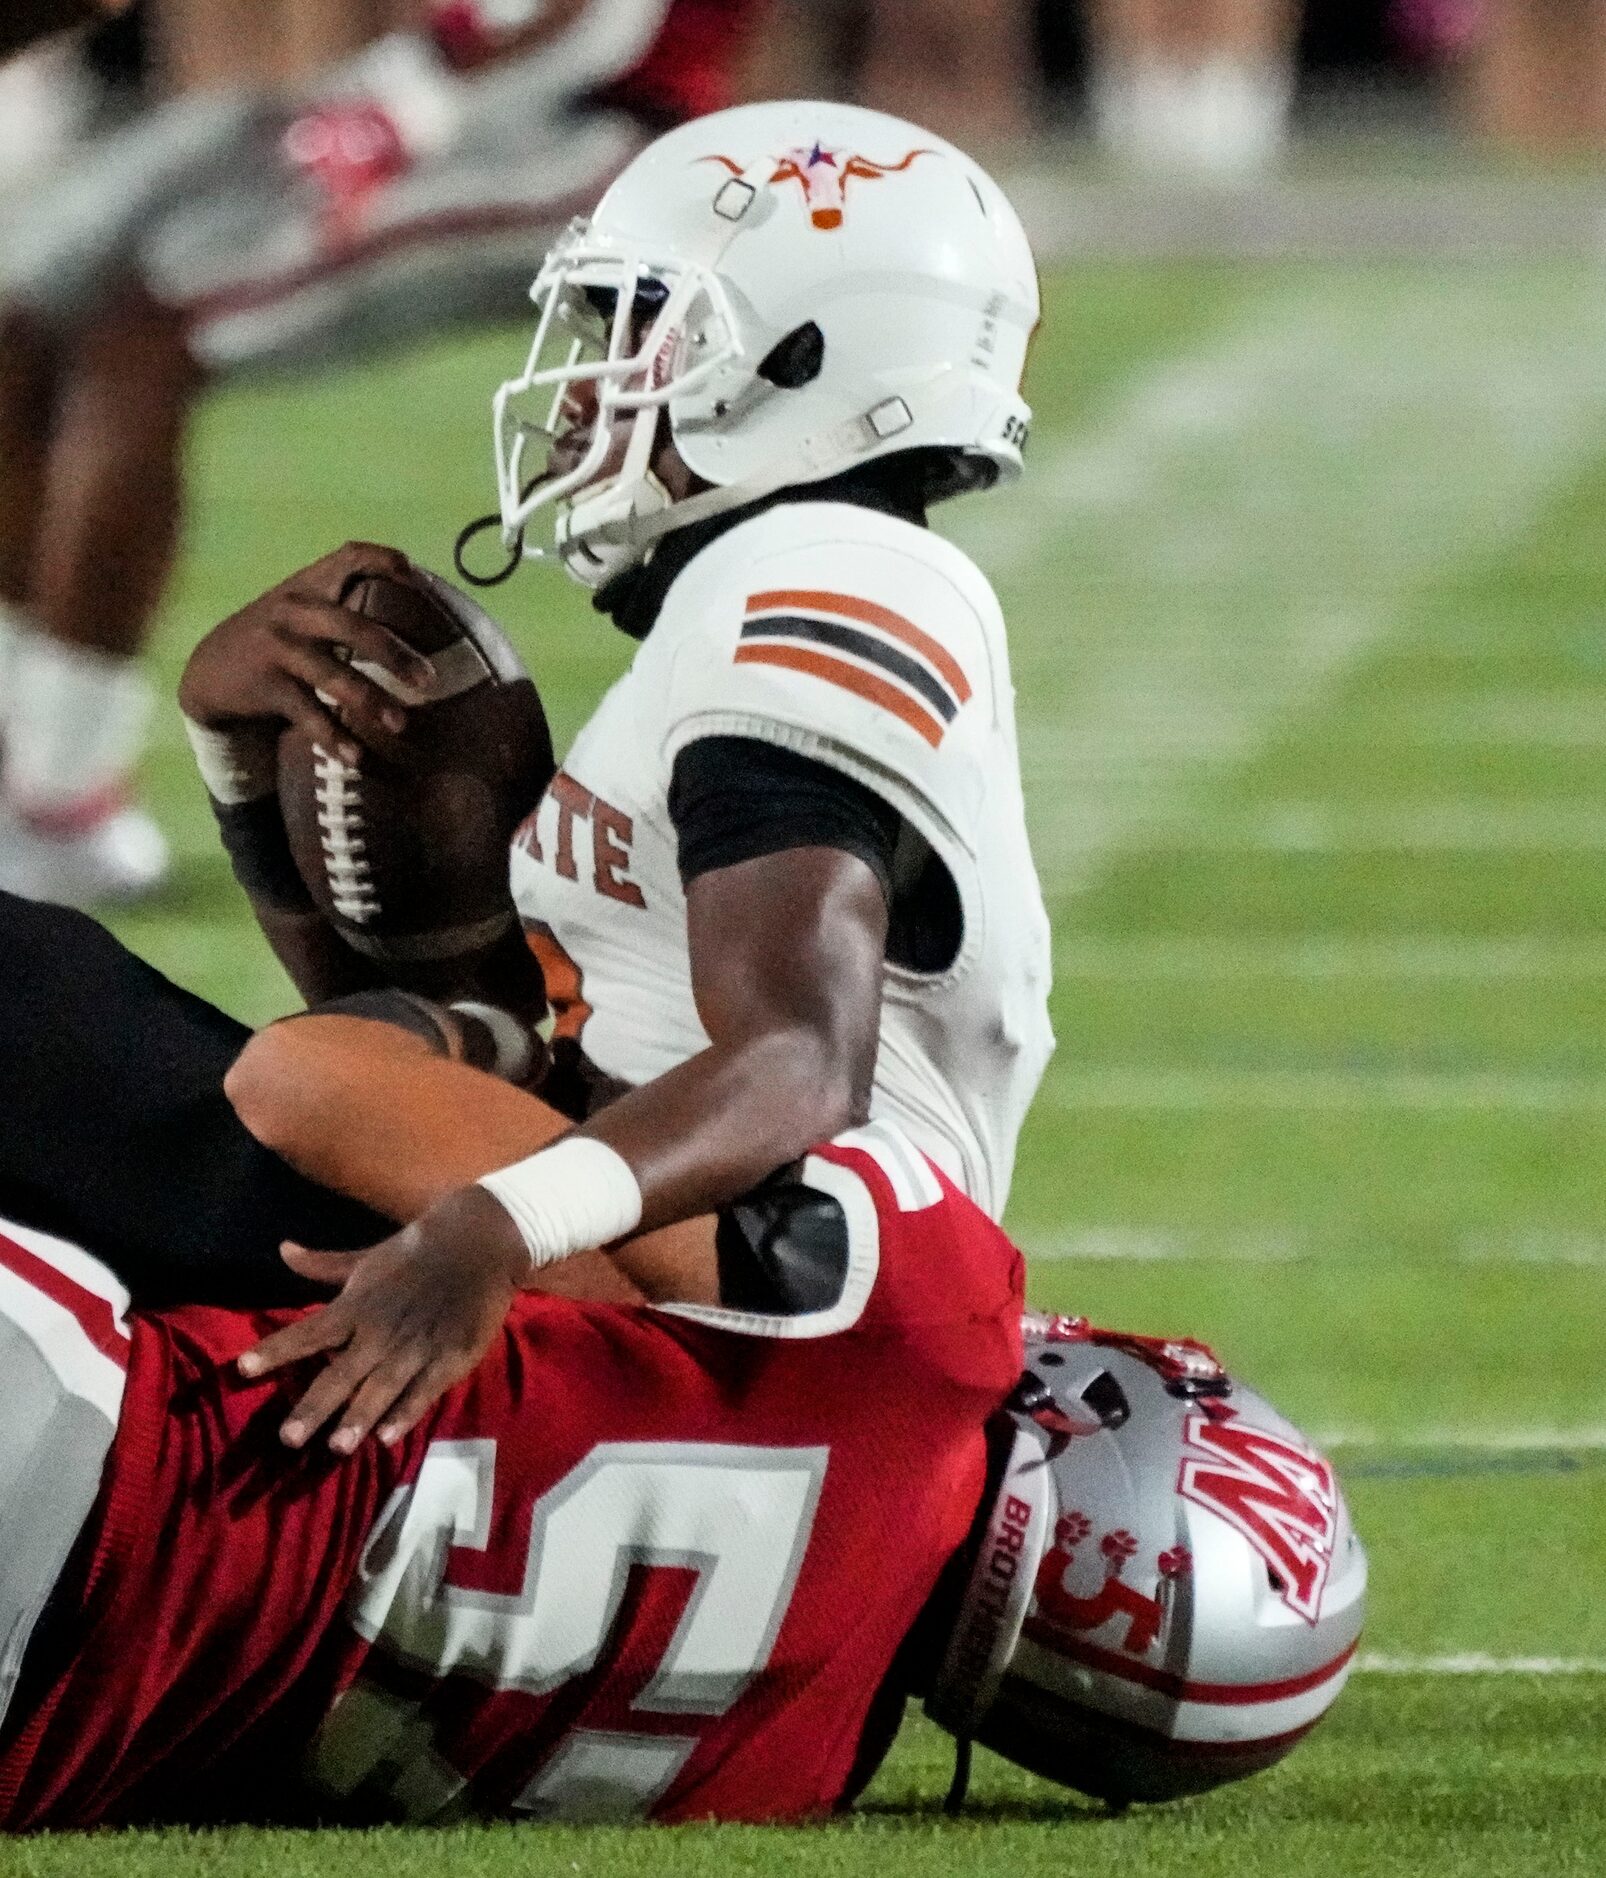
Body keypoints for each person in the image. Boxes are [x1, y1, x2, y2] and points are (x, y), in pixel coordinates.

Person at [0, 1159, 1366, 1828]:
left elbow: (360, 1102)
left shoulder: (929, 1343)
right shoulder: (786, 1776)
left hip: (92, 1425)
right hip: (51, 1747)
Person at [0, 0, 756, 906]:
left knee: (143, 338)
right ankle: (20, 750)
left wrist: (402, 105)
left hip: (579, 123)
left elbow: (598, 22)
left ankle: (64, 810)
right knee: (23, 316)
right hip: (424, 78)